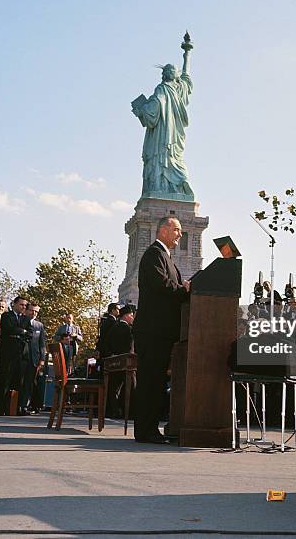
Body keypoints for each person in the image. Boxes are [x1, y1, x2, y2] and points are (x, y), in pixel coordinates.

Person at [133, 216, 190, 444]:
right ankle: (146, 431)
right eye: (177, 230)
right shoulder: (154, 254)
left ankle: (149, 430)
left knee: (155, 382)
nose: (179, 235)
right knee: (150, 382)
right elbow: (162, 285)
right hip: (153, 331)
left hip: (160, 331)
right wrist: (184, 289)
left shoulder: (164, 256)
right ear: (164, 230)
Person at [131, 34, 195, 201]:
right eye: (172, 70)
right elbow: (187, 75)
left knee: (164, 158)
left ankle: (168, 185)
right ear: (171, 75)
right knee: (170, 158)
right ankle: (175, 185)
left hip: (165, 135)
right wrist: (187, 52)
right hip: (167, 133)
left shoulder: (167, 90)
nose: (174, 72)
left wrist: (141, 109)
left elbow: (153, 110)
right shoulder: (172, 89)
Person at [0, 296, 30, 414]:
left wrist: (21, 332)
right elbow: (8, 329)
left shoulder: (26, 319)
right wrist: (22, 331)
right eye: (21, 305)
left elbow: (29, 333)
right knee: (5, 380)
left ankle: (14, 409)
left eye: (25, 306)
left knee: (18, 381)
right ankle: (0, 408)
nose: (23, 307)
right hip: (8, 352)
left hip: (21, 354)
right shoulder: (7, 316)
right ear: (14, 304)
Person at [19, 303, 46, 415]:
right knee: (19, 381)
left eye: (36, 311)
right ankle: (15, 405)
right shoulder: (21, 321)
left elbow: (42, 343)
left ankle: (25, 406)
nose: (33, 313)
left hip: (34, 359)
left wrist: (42, 359)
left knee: (29, 383)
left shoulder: (39, 325)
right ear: (26, 310)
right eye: (31, 310)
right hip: (21, 357)